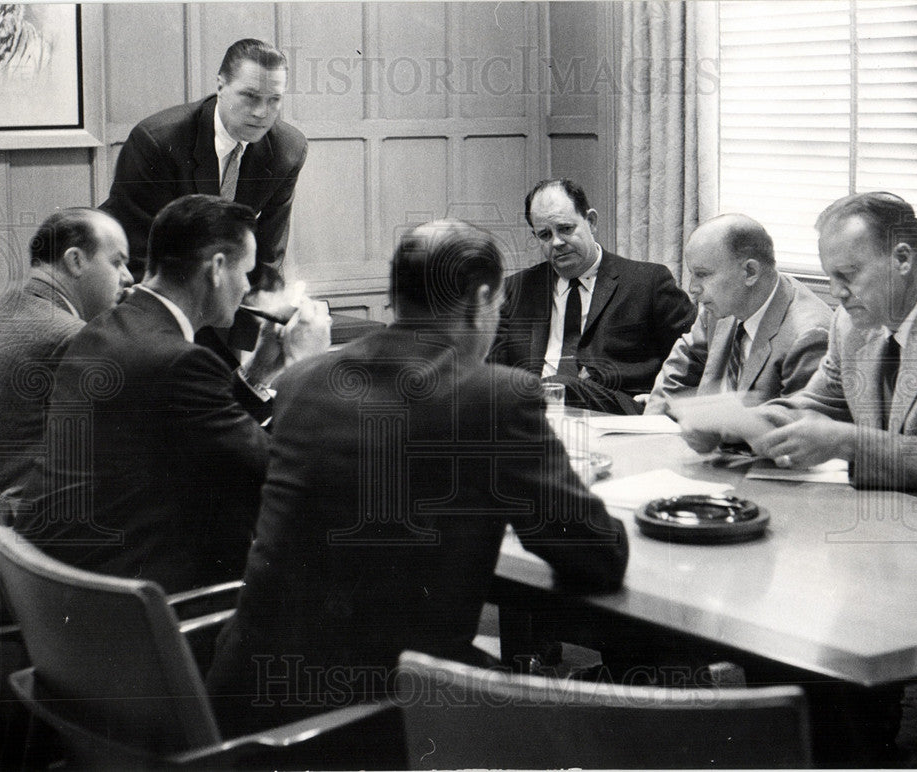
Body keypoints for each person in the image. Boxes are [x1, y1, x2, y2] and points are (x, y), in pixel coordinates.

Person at [207, 220, 629, 742]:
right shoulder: (494, 395)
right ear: (480, 299)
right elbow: (596, 557)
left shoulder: (301, 380)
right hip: (374, 719)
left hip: (245, 700)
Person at [16, 194, 330, 593]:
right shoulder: (177, 361)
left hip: (62, 584)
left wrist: (259, 371)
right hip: (135, 599)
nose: (248, 287)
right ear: (216, 268)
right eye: (246, 273)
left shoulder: (105, 330)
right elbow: (283, 472)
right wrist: (307, 366)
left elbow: (208, 427)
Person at [750, 192, 917, 494]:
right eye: (830, 277)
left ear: (902, 259)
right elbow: (819, 402)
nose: (837, 292)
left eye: (848, 275)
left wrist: (848, 442)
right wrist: (745, 424)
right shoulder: (849, 324)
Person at [100, 38, 307, 291]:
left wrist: (268, 315)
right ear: (221, 86)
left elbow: (267, 256)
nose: (262, 112)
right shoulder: (157, 141)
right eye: (250, 96)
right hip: (154, 286)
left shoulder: (288, 150)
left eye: (274, 99)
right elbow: (138, 255)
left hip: (222, 295)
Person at [492, 179, 695, 413]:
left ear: (591, 221)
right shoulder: (515, 290)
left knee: (560, 386)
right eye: (545, 235)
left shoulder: (647, 282)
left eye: (566, 229)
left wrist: (664, 400)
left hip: (616, 411)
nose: (556, 242)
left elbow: (696, 357)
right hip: (533, 418)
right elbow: (492, 370)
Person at [0, 208, 131, 506]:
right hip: (14, 531)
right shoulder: (71, 337)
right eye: (117, 263)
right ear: (75, 261)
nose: (129, 277)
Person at [647, 214, 832, 447]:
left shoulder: (808, 333)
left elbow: (800, 429)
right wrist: (648, 435)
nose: (692, 288)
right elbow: (674, 375)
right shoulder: (719, 308)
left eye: (703, 274)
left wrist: (718, 431)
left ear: (750, 272)